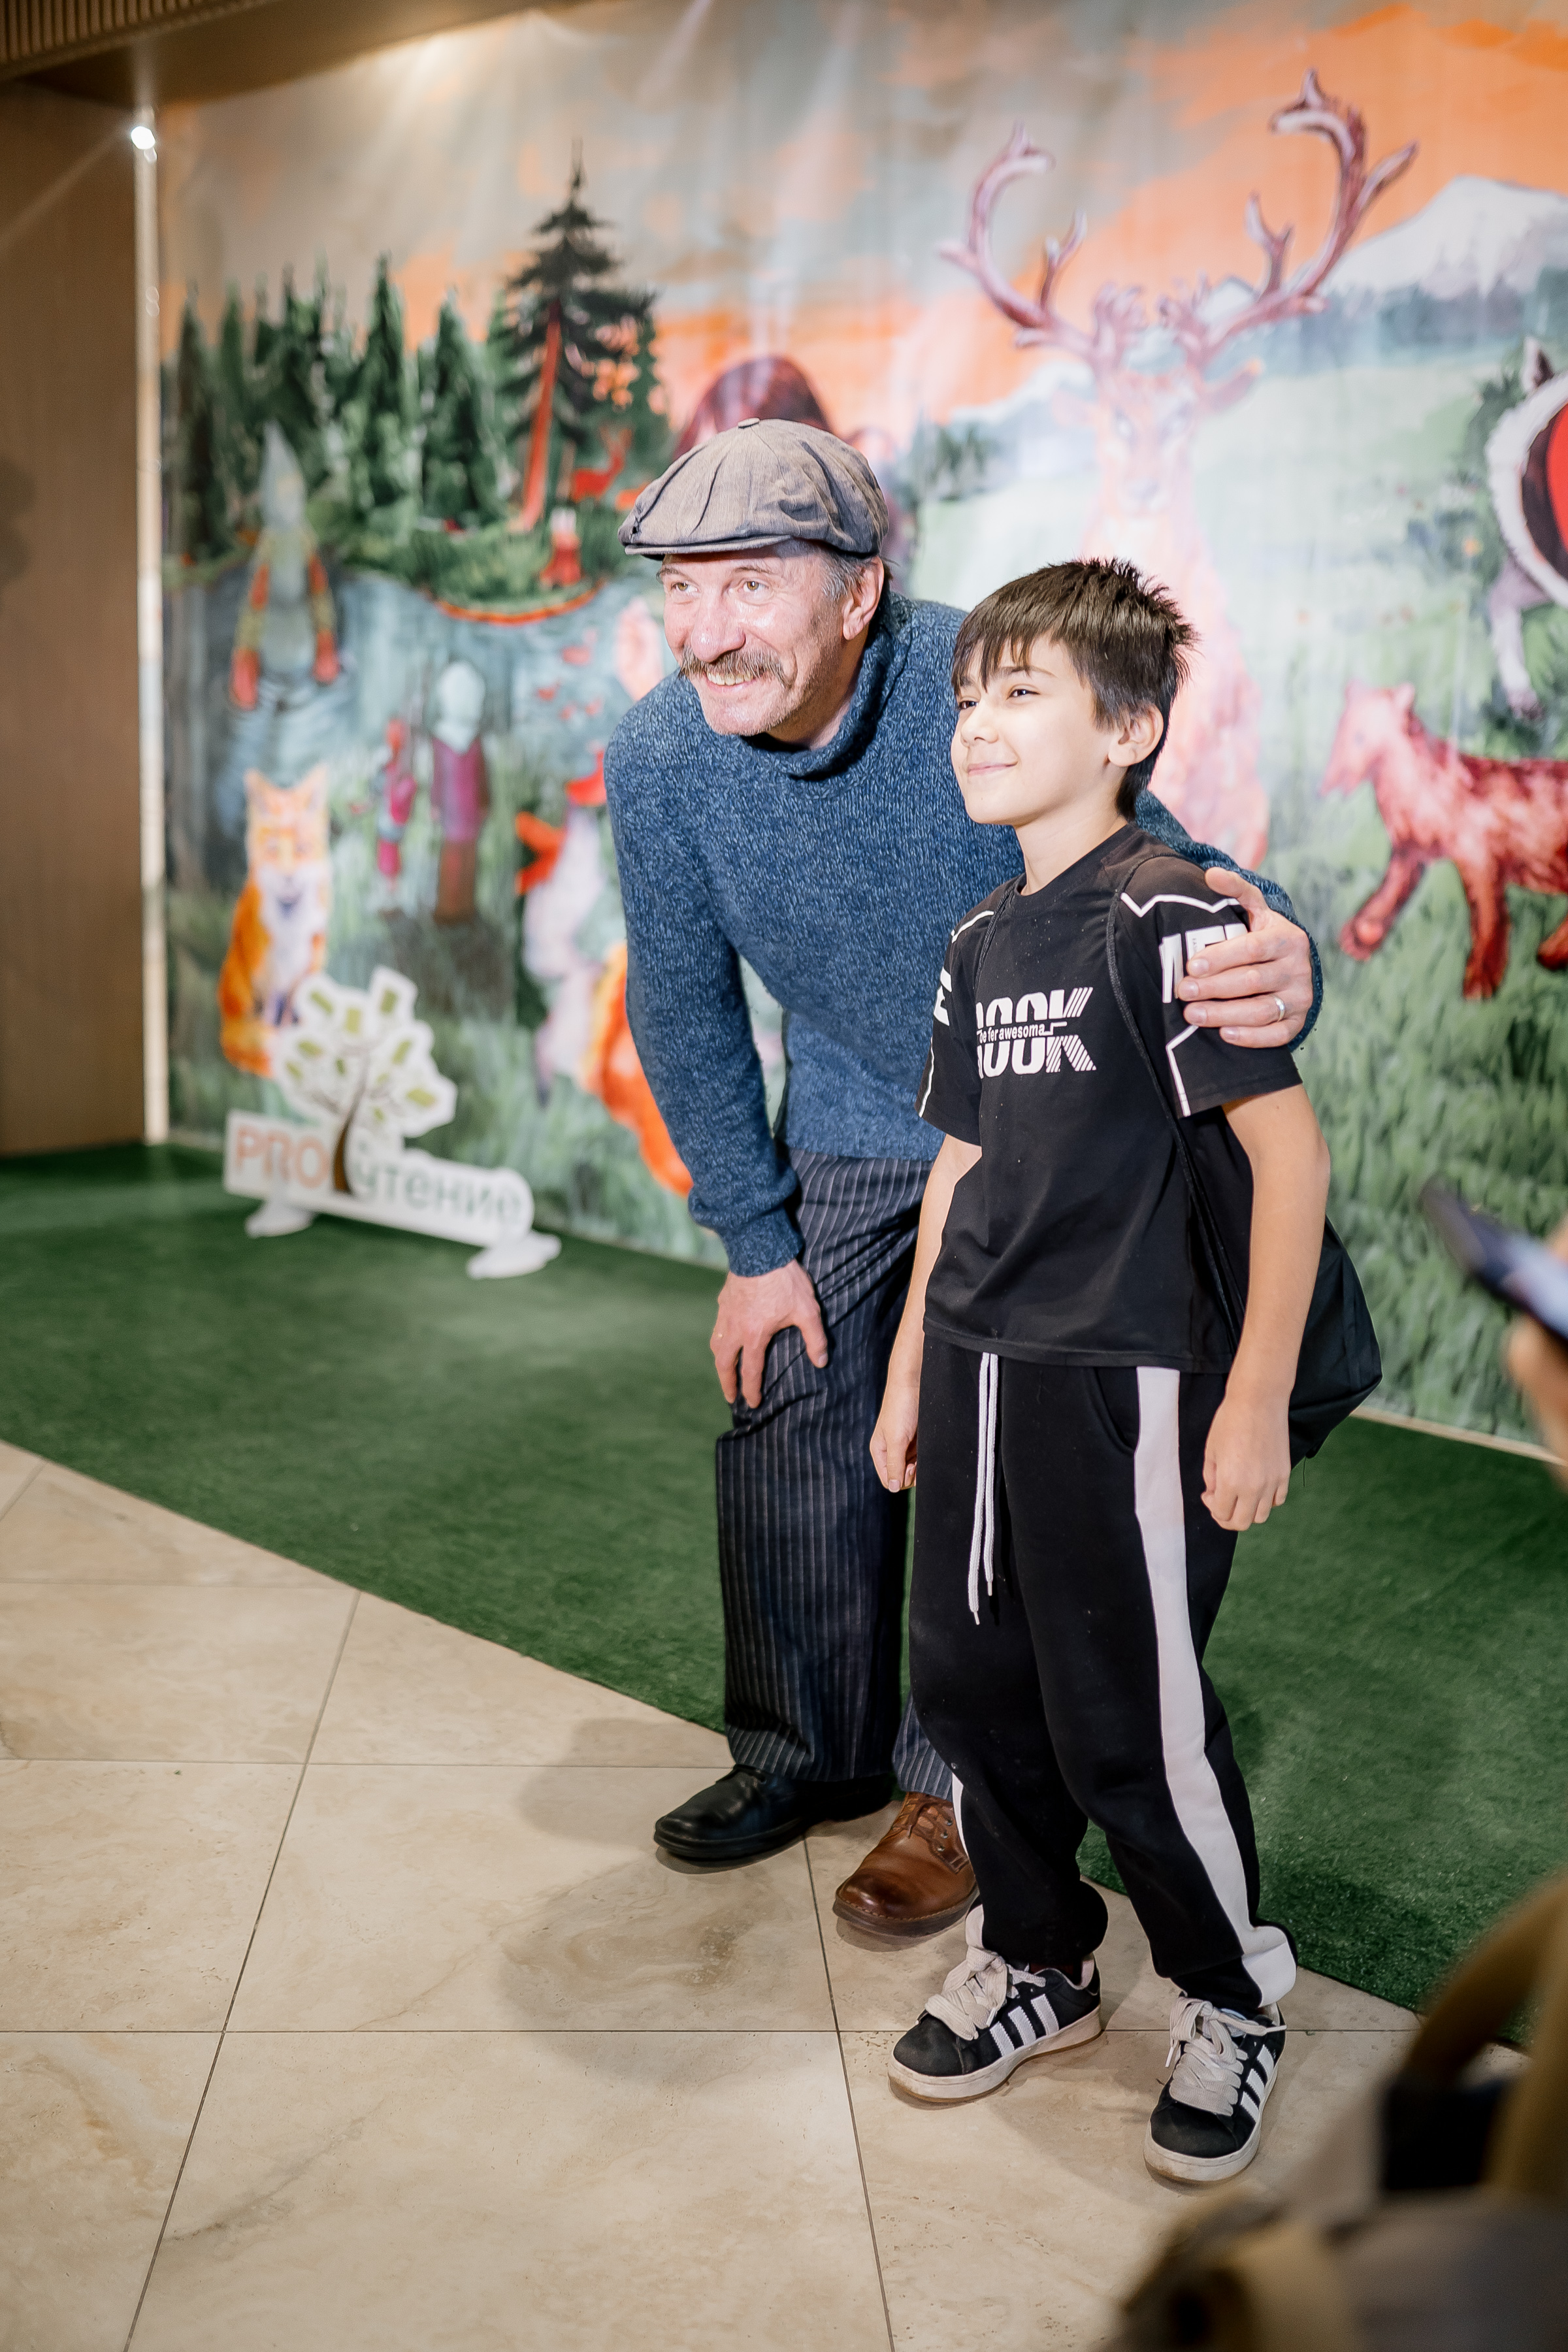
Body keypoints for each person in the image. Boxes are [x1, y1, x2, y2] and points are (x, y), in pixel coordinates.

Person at [604, 419, 1320, 1936]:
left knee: (990, 1452)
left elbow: (1166, 861)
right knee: (790, 1385)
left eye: (749, 584)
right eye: (680, 587)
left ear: (857, 594)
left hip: (1043, 1120)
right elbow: (680, 1003)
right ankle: (805, 1751)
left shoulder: (972, 680)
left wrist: (1282, 946)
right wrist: (753, 1241)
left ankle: (960, 1791)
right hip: (857, 1104)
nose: (706, 630)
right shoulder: (660, 756)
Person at [870, 558, 1330, 2182]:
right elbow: (957, 1170)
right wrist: (911, 1372)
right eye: (967, 697)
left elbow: (1288, 1160)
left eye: (1022, 693)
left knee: (1129, 1716)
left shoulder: (1173, 911)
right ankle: (1038, 1959)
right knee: (970, 1693)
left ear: (1128, 729)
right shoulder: (979, 936)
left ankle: (1230, 1997)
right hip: (977, 1368)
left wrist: (1254, 1394)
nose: (978, 724)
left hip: (1124, 1381)